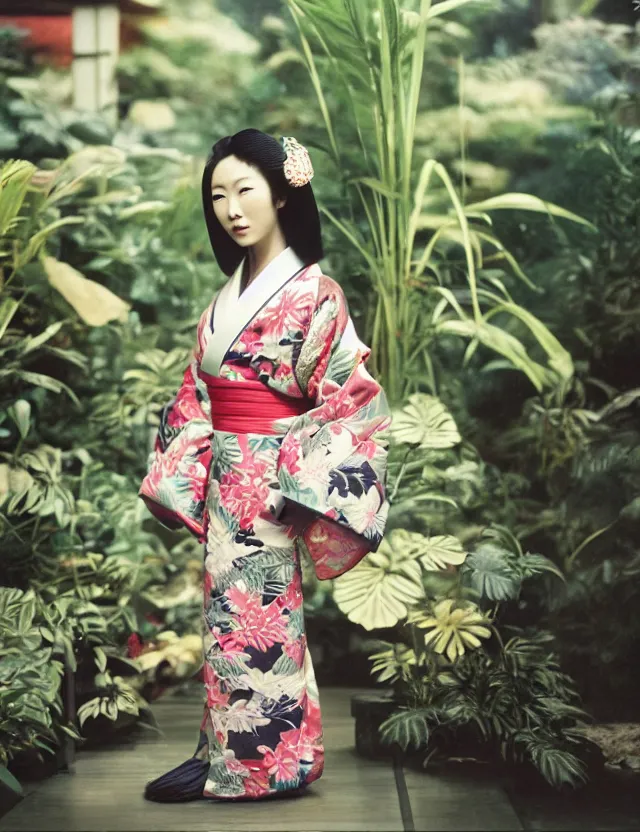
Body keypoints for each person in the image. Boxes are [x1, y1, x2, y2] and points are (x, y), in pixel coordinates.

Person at [138, 128, 391, 803]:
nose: (230, 207)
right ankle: (224, 753)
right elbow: (198, 392)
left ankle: (268, 765)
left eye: (244, 189)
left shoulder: (316, 294)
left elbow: (350, 400)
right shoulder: (229, 295)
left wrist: (303, 485)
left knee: (265, 623)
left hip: (273, 482)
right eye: (218, 194)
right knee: (226, 623)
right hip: (227, 478)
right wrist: (188, 468)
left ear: (283, 194)